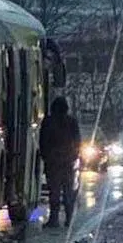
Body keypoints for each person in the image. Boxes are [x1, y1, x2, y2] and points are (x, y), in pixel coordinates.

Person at [39, 96, 82, 228]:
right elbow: (77, 140)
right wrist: (74, 155)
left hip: (53, 162)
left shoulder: (48, 121)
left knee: (55, 192)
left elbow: (43, 141)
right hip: (68, 162)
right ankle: (69, 219)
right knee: (68, 191)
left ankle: (54, 219)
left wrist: (46, 156)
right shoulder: (71, 121)